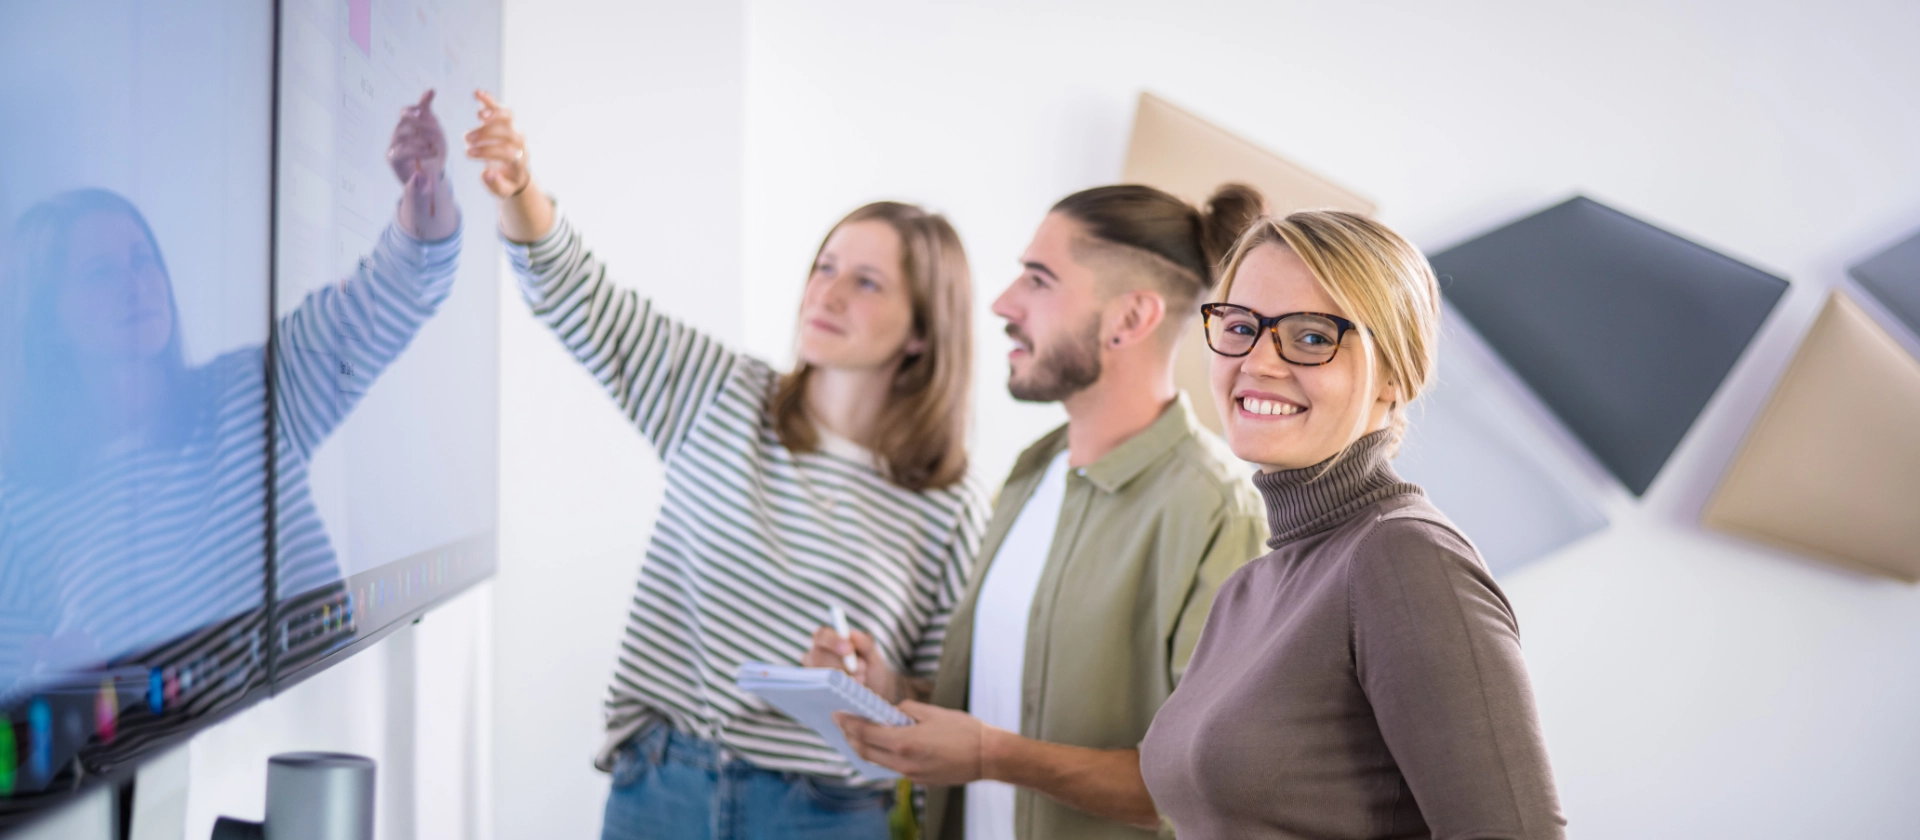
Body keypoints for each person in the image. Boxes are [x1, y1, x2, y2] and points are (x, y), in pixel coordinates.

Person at [463, 91, 989, 840]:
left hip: (825, 817)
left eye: (866, 282)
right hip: (663, 788)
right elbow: (583, 300)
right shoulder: (722, 395)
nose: (826, 292)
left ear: (921, 330)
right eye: (824, 265)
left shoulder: (950, 502)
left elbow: (948, 703)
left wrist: (881, 684)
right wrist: (520, 191)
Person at [0, 91, 460, 764]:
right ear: (48, 322)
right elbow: (18, 730)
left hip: (315, 764)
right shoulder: (20, 511)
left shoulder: (248, 392)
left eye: (142, 258)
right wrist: (52, 689)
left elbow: (403, 283)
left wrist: (429, 185)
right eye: (101, 273)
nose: (138, 283)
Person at [818, 184, 1271, 840]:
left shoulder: (1217, 512)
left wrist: (991, 757)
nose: (1003, 303)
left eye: (1038, 279)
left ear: (1129, 319)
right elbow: (1004, 702)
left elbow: (1205, 784)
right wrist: (887, 690)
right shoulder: (1033, 470)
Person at [1137, 211, 1567, 838]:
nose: (1258, 362)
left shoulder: (1405, 558)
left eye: (1312, 337)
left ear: (1398, 375)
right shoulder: (1249, 589)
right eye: (1239, 326)